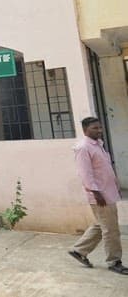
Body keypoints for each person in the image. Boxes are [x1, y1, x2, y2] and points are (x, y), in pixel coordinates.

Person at [68, 116, 127, 274]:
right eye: (95, 128)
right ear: (85, 130)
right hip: (100, 195)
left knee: (103, 225)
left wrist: (115, 185)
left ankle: (79, 250)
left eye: (100, 128)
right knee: (111, 229)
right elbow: (85, 174)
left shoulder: (98, 145)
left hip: (107, 192)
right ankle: (114, 261)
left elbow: (104, 169)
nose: (99, 131)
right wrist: (96, 193)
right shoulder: (83, 148)